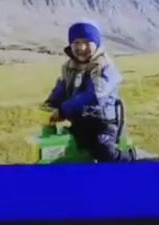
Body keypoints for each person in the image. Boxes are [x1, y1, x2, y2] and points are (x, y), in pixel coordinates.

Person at [44, 21, 135, 162]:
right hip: (81, 122)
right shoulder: (69, 67)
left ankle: (138, 159)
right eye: (76, 43)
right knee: (68, 150)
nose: (81, 47)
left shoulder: (103, 66)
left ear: (96, 44)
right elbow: (63, 86)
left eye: (87, 42)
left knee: (104, 152)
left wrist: (63, 110)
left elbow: (95, 95)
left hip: (103, 123)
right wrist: (51, 103)